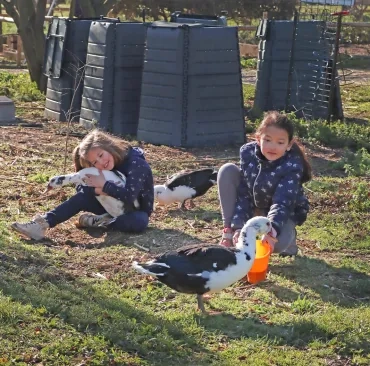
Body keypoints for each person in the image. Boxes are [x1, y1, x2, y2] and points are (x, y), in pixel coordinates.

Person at [11, 129, 154, 240]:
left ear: (109, 146)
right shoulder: (104, 166)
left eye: (100, 155)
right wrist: (96, 190)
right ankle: (42, 224)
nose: (100, 163)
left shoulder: (136, 163)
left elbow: (129, 196)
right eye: (94, 163)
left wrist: (104, 186)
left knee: (140, 222)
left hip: (135, 211)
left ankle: (102, 221)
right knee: (83, 195)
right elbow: (81, 186)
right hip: (110, 202)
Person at [217, 111, 311, 256]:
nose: (273, 147)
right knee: (227, 170)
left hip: (285, 210)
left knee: (276, 244)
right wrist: (237, 227)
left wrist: (271, 231)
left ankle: (288, 235)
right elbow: (244, 193)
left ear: (288, 144)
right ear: (257, 138)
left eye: (280, 142)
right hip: (256, 203)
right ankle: (228, 232)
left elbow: (282, 202)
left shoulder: (292, 166)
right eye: (267, 140)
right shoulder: (247, 154)